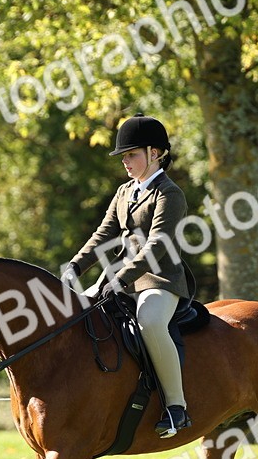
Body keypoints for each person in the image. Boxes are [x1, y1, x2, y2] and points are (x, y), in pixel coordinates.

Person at [64, 113, 193, 438]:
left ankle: (176, 408)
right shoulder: (125, 192)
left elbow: (157, 246)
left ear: (154, 153)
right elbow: (102, 235)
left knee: (150, 322)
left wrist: (121, 279)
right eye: (123, 156)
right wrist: (75, 266)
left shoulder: (169, 194)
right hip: (118, 278)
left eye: (132, 154)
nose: (125, 161)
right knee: (76, 316)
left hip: (159, 280)